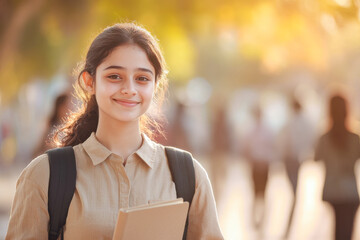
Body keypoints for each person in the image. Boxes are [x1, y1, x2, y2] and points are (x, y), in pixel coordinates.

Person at [6, 23, 223, 240]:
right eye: (114, 76)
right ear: (89, 82)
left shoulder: (189, 176)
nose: (129, 88)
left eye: (142, 78)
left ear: (155, 85)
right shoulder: (44, 175)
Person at [314, 94, 360, 240]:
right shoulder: (354, 138)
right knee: (346, 232)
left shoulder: (325, 138)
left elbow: (316, 158)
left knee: (338, 232)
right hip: (350, 191)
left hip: (332, 190)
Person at [32, 92, 72, 158]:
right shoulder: (52, 126)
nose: (69, 109)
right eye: (66, 105)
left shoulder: (71, 127)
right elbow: (42, 146)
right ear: (59, 107)